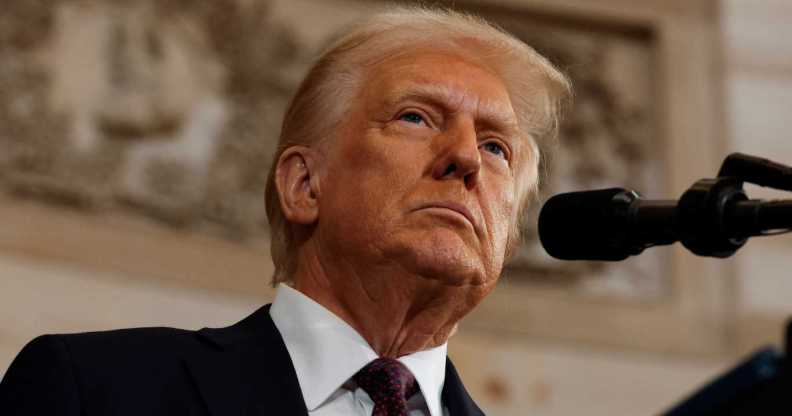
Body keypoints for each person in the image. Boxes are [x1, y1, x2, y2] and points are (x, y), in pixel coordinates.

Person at [0, 5, 570, 416]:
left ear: (507, 235)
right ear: (304, 185)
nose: (466, 157)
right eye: (416, 117)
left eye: (497, 148)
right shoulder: (97, 390)